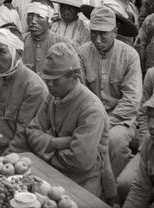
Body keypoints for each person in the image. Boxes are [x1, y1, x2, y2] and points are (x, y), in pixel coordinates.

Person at [24, 41, 115, 201]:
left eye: (56, 80)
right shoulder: (53, 96)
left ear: (75, 77)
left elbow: (80, 161)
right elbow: (31, 131)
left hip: (81, 184)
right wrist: (57, 143)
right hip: (51, 174)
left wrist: (46, 148)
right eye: (47, 79)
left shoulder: (91, 109)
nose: (49, 85)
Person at [78, 5, 142, 178]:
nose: (97, 40)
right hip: (90, 116)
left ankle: (113, 187)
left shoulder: (130, 56)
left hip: (121, 119)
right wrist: (94, 119)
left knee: (114, 141)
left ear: (114, 32)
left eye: (103, 34)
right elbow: (81, 92)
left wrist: (108, 121)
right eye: (94, 33)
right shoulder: (83, 53)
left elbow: (131, 99)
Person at [0, 26, 49, 158]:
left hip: (18, 158)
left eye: (2, 52)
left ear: (19, 54)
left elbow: (23, 137)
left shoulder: (34, 88)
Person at [23, 0, 69, 73]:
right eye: (30, 15)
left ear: (50, 20)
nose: (33, 21)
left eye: (40, 16)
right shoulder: (19, 41)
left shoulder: (63, 44)